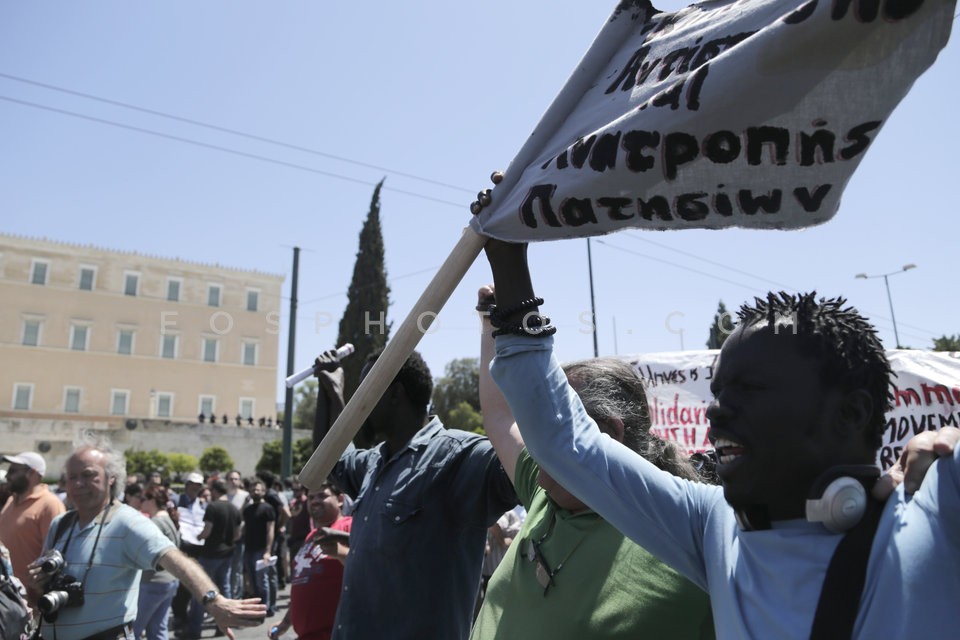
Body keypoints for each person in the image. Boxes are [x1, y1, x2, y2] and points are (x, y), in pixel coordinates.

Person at [481, 239, 960, 639]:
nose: (717, 409)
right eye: (717, 391)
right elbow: (565, 439)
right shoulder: (711, 526)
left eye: (750, 390)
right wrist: (509, 263)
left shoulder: (940, 501)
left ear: (851, 412)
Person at [471, 286, 714, 639]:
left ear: (609, 437)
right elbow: (499, 413)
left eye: (554, 437)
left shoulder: (690, 542)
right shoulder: (549, 492)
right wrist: (491, 323)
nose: (537, 479)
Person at [312, 348, 517, 639]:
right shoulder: (373, 463)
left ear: (394, 394)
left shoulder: (458, 457)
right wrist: (329, 391)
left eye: (365, 393)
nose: (360, 405)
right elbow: (329, 457)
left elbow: (528, 468)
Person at [27, 431, 265, 640]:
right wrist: (40, 584)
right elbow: (45, 585)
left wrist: (214, 601)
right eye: (72, 476)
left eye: (89, 475)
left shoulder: (127, 522)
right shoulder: (61, 524)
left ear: (111, 478)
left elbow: (176, 559)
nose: (78, 483)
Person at [267, 480, 352, 640]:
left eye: (322, 495)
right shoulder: (311, 536)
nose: (315, 501)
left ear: (340, 500)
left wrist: (341, 553)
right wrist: (285, 624)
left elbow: (371, 570)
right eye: (311, 497)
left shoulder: (350, 527)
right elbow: (302, 584)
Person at [0, 451, 65, 608]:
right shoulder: (11, 499)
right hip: (7, 597)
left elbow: (55, 553)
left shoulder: (50, 504)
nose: (8, 476)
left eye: (13, 471)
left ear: (33, 473)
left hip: (28, 604)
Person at [186, 479, 241, 639]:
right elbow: (238, 534)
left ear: (215, 491)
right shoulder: (234, 508)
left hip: (210, 554)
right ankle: (223, 626)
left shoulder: (212, 507)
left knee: (201, 590)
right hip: (227, 554)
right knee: (225, 589)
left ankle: (194, 629)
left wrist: (196, 535)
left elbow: (207, 531)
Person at [134, 485, 181, 640]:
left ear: (152, 500)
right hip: (169, 581)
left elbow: (142, 552)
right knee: (158, 630)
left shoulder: (155, 522)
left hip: (154, 582)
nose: (140, 502)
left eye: (143, 499)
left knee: (133, 630)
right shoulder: (167, 518)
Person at [242, 480, 276, 617]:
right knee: (252, 581)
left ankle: (266, 608)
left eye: (258, 489)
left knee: (263, 581)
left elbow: (270, 530)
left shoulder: (268, 508)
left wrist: (268, 551)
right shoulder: (248, 509)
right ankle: (258, 609)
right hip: (248, 549)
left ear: (263, 491)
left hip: (261, 550)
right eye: (252, 490)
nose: (255, 492)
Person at [224, 471, 249, 602]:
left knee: (237, 570)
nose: (233, 481)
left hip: (239, 539)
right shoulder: (222, 497)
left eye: (236, 479)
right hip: (223, 539)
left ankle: (235, 598)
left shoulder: (246, 496)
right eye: (231, 479)